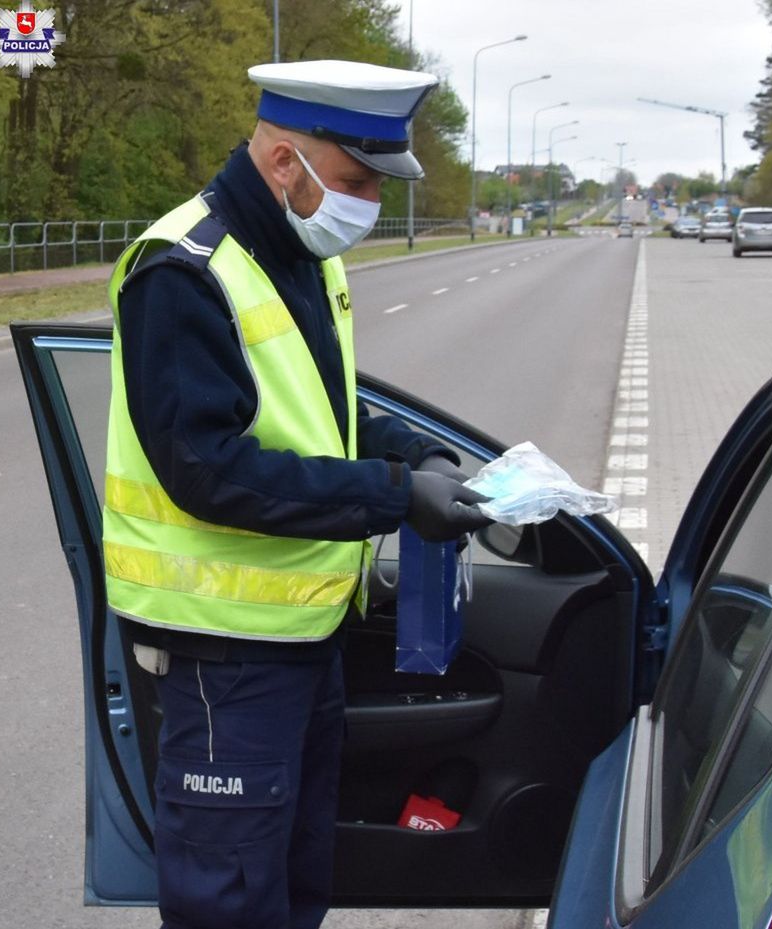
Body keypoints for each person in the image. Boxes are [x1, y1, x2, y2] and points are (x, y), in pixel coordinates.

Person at [102, 59, 492, 929]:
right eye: (356, 181)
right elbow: (207, 467)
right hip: (220, 655)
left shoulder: (293, 252)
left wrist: (416, 451)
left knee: (297, 882)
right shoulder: (185, 269)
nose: (368, 206)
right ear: (286, 163)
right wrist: (395, 495)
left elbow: (319, 408)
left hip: (299, 634)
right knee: (229, 904)